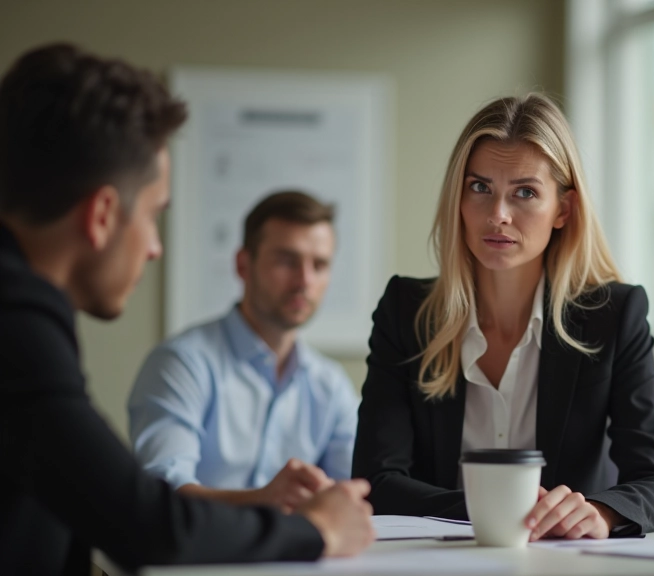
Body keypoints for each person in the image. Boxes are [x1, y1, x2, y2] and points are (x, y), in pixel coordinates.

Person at [0, 43, 374, 576]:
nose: (154, 247)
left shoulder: (24, 309)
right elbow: (147, 523)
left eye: (319, 263)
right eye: (154, 216)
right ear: (103, 215)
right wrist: (316, 529)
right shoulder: (18, 323)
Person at [352, 93, 654, 540]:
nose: (498, 215)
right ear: (458, 198)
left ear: (563, 210)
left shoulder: (614, 316)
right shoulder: (406, 312)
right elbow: (376, 483)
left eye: (525, 192)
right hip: (439, 560)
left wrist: (601, 513)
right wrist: (501, 512)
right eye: (480, 187)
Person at [128, 190, 359, 512]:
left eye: (319, 265)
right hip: (200, 559)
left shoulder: (330, 385)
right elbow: (163, 492)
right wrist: (264, 501)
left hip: (296, 560)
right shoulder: (182, 364)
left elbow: (355, 489)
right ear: (243, 264)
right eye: (287, 261)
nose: (304, 280)